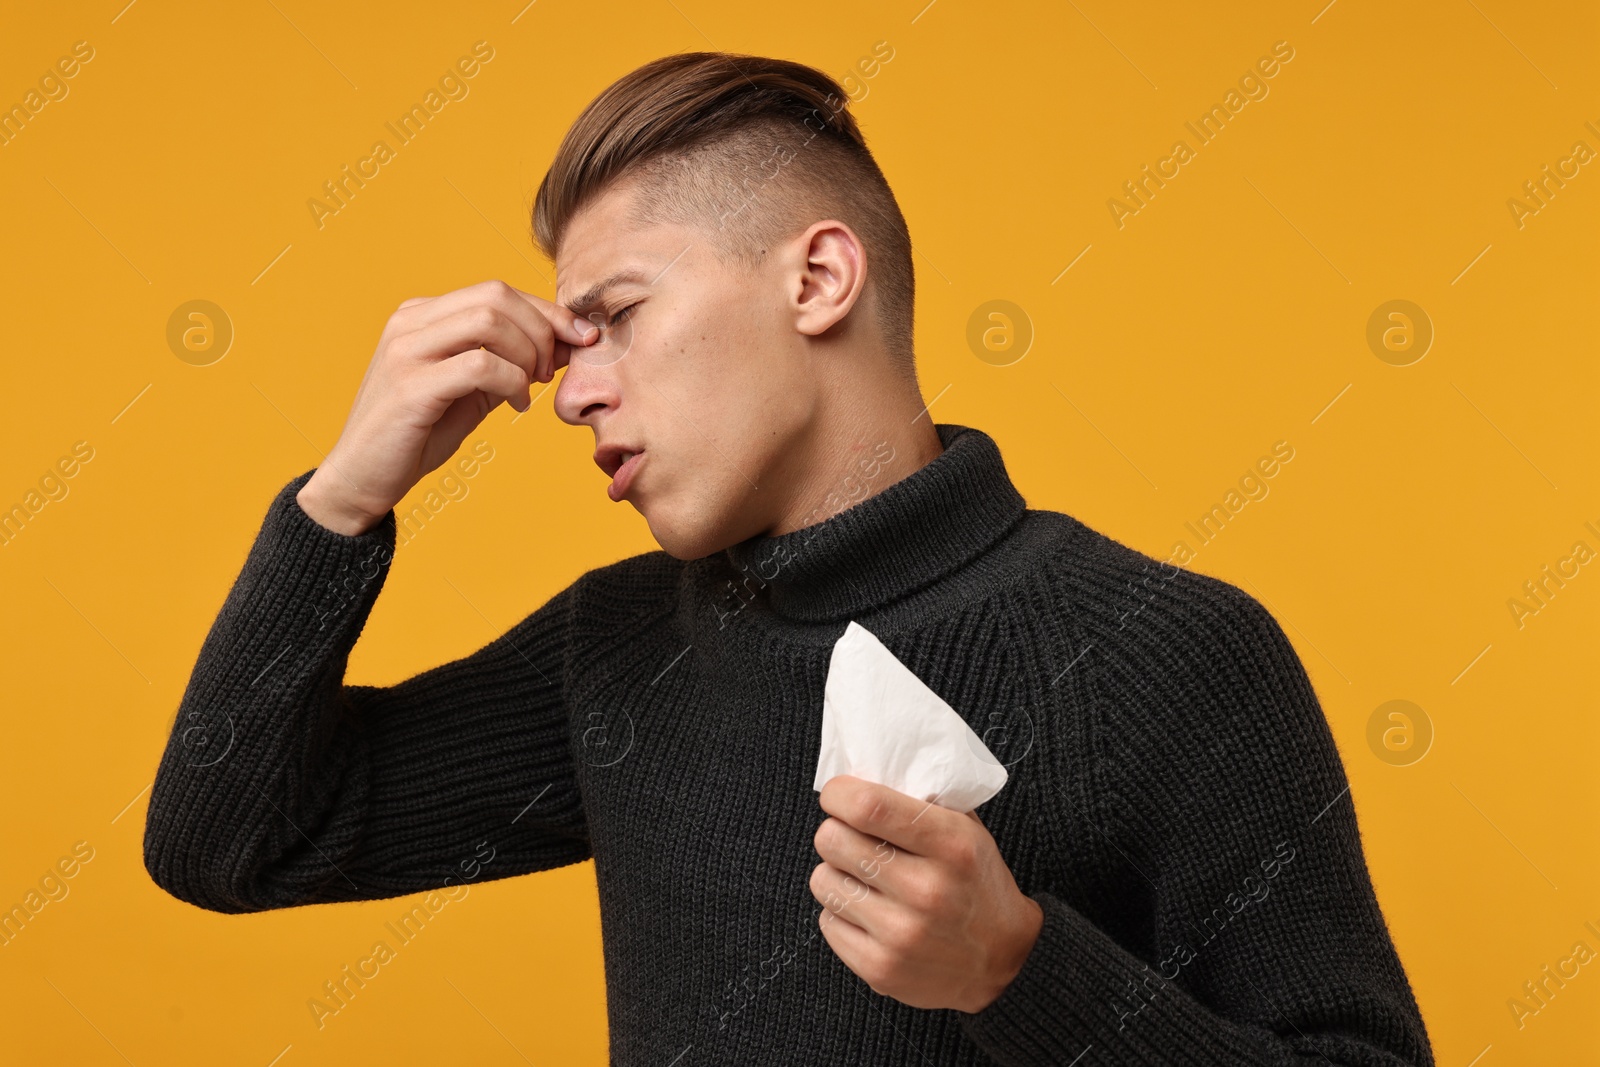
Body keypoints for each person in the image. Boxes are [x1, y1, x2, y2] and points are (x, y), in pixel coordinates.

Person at [143, 51, 1436, 1066]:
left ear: (818, 279)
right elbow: (228, 845)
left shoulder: (1168, 654)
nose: (570, 390)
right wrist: (345, 495)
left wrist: (1021, 976)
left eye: (616, 319)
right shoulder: (624, 648)